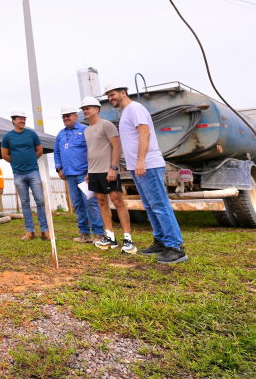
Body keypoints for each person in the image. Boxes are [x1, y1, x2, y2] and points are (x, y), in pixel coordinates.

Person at [104, 80, 188, 264]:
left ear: (123, 92)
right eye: (108, 96)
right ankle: (161, 241)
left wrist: (141, 160)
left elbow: (145, 133)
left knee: (159, 205)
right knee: (150, 206)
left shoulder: (135, 109)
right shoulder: (126, 112)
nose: (110, 98)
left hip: (148, 164)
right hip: (139, 167)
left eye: (113, 94)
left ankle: (176, 247)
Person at [80, 96, 136, 254]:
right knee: (102, 203)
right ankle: (110, 237)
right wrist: (88, 171)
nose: (85, 110)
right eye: (84, 109)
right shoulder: (86, 130)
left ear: (96, 109)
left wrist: (113, 168)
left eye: (88, 108)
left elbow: (117, 146)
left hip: (108, 170)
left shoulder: (106, 124)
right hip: (94, 172)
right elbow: (90, 151)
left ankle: (128, 240)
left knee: (118, 202)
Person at [54, 105, 104, 244]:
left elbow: (92, 150)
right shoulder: (60, 134)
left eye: (69, 115)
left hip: (84, 175)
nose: (66, 118)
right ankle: (84, 234)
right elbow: (57, 152)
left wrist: (90, 171)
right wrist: (59, 169)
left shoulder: (85, 130)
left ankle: (99, 234)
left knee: (91, 203)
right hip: (70, 175)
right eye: (64, 116)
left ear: (76, 116)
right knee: (77, 204)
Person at [1, 110, 50, 242]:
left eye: (24, 119)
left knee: (40, 201)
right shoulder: (7, 137)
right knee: (25, 203)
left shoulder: (32, 134)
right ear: (13, 120)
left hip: (33, 171)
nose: (22, 121)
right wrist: (17, 163)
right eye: (20, 119)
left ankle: (45, 231)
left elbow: (39, 151)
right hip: (18, 174)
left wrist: (30, 162)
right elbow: (5, 155)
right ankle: (30, 232)